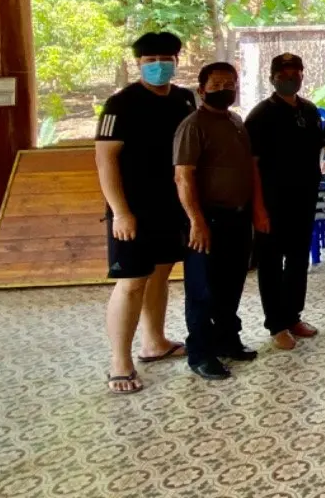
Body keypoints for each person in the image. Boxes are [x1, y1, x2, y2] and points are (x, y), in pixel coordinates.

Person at [97, 31, 198, 394]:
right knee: (131, 282)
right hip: (133, 209)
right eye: (150, 60)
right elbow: (105, 161)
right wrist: (120, 212)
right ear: (138, 64)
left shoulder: (185, 99)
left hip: (172, 205)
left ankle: (154, 341)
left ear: (176, 61)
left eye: (165, 59)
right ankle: (119, 362)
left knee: (160, 274)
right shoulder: (119, 104)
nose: (158, 66)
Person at [174, 62, 269, 380]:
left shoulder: (236, 121)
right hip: (207, 219)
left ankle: (228, 340)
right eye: (216, 85)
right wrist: (196, 221)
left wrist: (256, 210)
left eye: (229, 84)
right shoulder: (193, 126)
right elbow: (183, 177)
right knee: (203, 290)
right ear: (201, 90)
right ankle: (201, 354)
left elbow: (249, 169)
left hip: (238, 218)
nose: (223, 90)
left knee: (232, 284)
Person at [245, 53, 325, 350]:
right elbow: (252, 165)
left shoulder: (309, 110)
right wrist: (258, 208)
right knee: (270, 264)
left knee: (297, 260)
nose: (290, 78)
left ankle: (293, 317)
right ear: (272, 78)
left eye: (295, 73)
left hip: (303, 199)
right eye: (283, 74)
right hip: (271, 203)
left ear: (302, 75)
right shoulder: (260, 115)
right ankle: (276, 325)